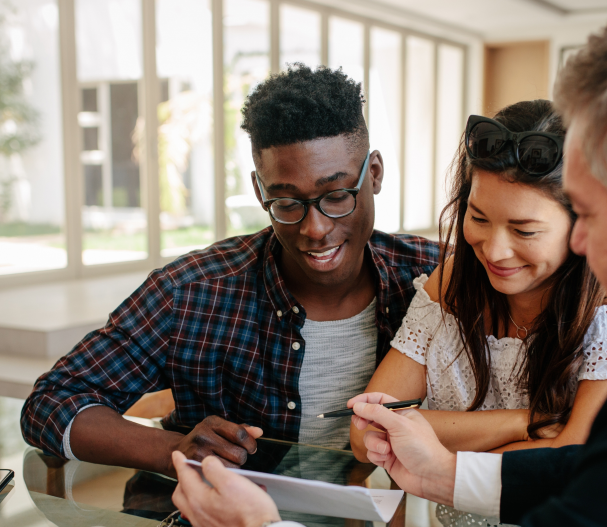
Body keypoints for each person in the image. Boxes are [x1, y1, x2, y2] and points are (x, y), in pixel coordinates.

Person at [169, 10, 607, 526]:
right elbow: (575, 469)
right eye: (479, 218)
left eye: (590, 213)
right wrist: (446, 468)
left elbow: (585, 476)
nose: (579, 240)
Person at [20, 64, 439, 477]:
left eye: (336, 195)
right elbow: (51, 403)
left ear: (376, 174)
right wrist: (173, 450)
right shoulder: (193, 292)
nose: (316, 228)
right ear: (260, 192)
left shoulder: (435, 279)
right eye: (287, 202)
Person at [350, 100, 607, 477]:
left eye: (524, 230)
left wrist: (432, 450)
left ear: (584, 224)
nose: (494, 251)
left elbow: (570, 460)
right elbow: (367, 435)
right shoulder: (450, 285)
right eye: (477, 217)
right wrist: (524, 422)